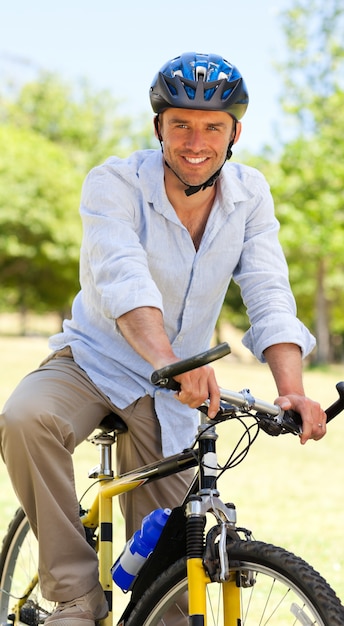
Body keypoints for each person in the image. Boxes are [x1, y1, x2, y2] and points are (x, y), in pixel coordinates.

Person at [0, 52, 326, 626]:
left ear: (235, 134)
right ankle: (74, 595)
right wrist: (170, 360)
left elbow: (269, 291)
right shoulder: (113, 183)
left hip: (172, 392)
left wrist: (292, 388)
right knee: (27, 417)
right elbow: (122, 277)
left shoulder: (251, 197)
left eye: (212, 127)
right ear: (158, 127)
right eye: (181, 123)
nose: (195, 141)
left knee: (172, 596)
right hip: (96, 360)